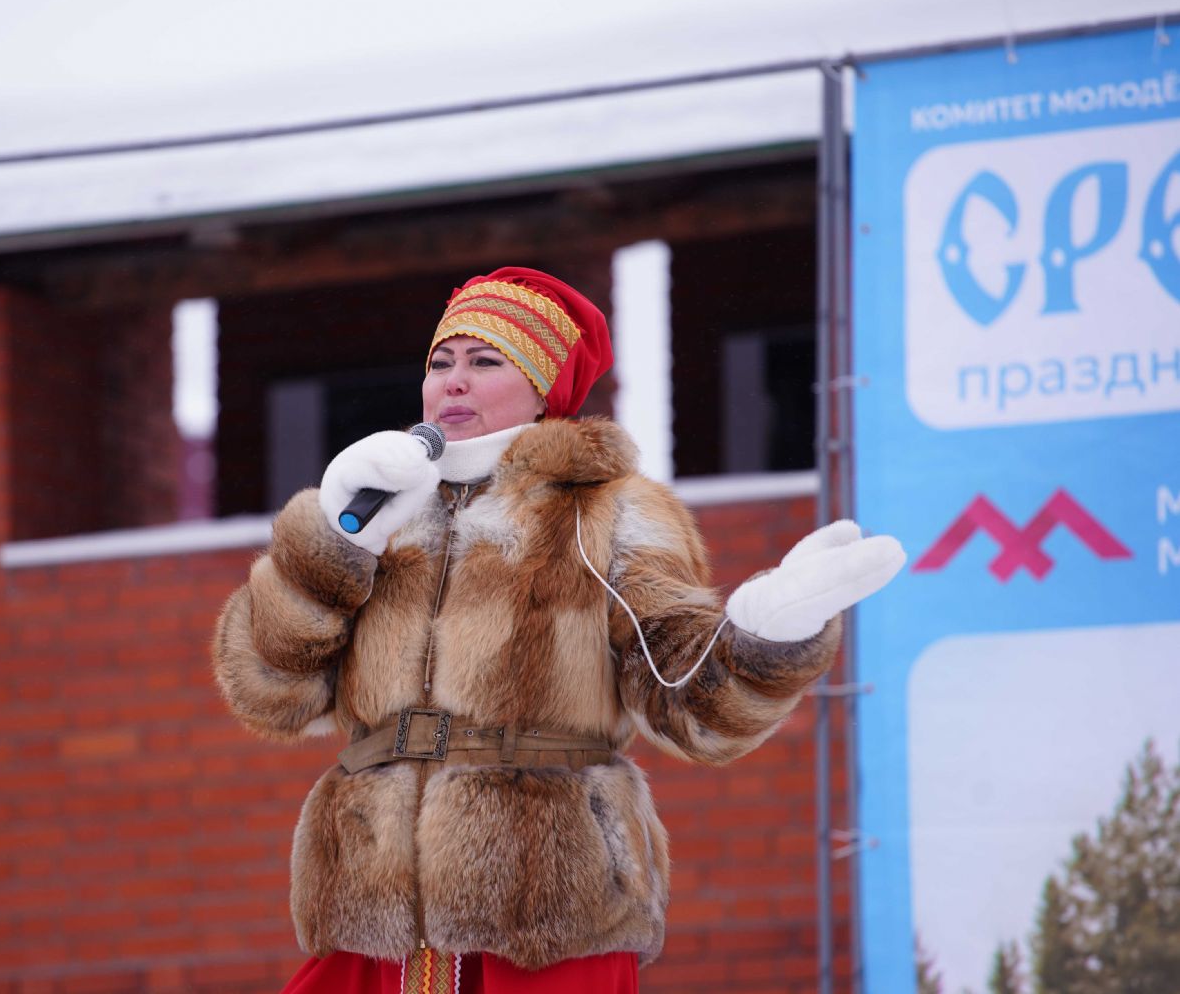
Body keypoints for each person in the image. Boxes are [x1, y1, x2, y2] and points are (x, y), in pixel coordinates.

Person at [212, 267, 904, 994]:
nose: (454, 381)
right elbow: (269, 691)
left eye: (485, 361)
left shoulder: (606, 513)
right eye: (440, 363)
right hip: (373, 906)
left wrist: (769, 638)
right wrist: (330, 547)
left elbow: (687, 701)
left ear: (545, 389)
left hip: (545, 905)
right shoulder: (378, 510)